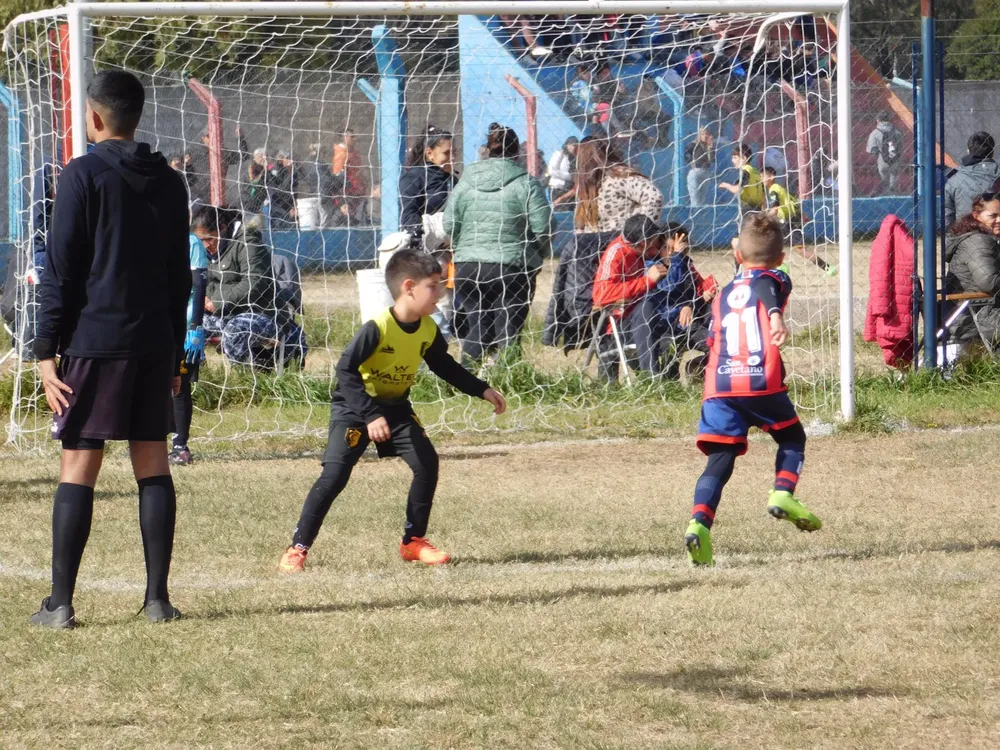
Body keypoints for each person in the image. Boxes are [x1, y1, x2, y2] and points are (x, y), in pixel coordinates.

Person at [31, 70, 190, 628]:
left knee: (79, 465)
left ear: (95, 116)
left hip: (94, 344)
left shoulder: (82, 173)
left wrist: (44, 350)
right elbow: (180, 277)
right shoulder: (171, 181)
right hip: (152, 344)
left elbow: (61, 270)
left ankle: (60, 604)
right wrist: (176, 354)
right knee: (153, 463)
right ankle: (157, 600)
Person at [278, 250, 507, 572]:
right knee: (334, 477)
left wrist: (482, 389)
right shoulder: (378, 327)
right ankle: (297, 548)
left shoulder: (427, 328)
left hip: (396, 408)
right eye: (433, 285)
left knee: (426, 464)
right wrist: (370, 415)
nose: (440, 292)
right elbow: (345, 370)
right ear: (409, 287)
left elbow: (444, 365)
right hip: (354, 409)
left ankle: (413, 541)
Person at [684, 213, 822, 567]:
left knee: (720, 458)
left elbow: (715, 332)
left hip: (720, 385)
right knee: (792, 437)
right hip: (759, 378)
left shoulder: (722, 294)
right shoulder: (777, 277)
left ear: (737, 254)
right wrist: (775, 314)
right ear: (781, 258)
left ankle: (698, 524)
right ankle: (783, 493)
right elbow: (764, 283)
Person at [443, 125, 553, 362]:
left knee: (477, 329)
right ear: (517, 153)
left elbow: (449, 224)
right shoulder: (526, 183)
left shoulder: (465, 182)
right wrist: (538, 254)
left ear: (488, 150)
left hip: (468, 267)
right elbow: (543, 227)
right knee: (508, 333)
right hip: (512, 267)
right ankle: (510, 377)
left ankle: (464, 376)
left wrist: (464, 249)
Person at [591, 214, 669, 380]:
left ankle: (665, 377)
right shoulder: (616, 253)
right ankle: (652, 378)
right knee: (647, 304)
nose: (656, 245)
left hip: (647, 317)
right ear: (641, 243)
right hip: (621, 322)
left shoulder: (647, 251)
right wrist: (647, 281)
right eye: (653, 241)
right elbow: (601, 295)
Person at [635, 222, 714, 375]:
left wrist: (697, 300)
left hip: (687, 321)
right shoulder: (653, 267)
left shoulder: (684, 264)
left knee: (716, 335)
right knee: (670, 354)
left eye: (676, 249)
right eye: (667, 248)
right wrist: (677, 257)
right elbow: (670, 287)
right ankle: (670, 381)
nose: (670, 253)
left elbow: (689, 292)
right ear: (658, 247)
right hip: (666, 325)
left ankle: (699, 368)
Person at [169, 207, 213, 467]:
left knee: (179, 384)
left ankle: (180, 446)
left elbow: (199, 284)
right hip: (152, 323)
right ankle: (147, 442)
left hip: (183, 328)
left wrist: (195, 325)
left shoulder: (192, 243)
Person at [944, 193, 1000, 347]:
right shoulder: (978, 241)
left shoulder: (979, 238)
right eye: (993, 216)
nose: (999, 220)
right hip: (982, 318)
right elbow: (989, 282)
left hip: (978, 314)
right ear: (976, 216)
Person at [398, 126, 456, 245]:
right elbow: (408, 216)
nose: (453, 158)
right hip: (424, 243)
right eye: (446, 153)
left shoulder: (453, 180)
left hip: (450, 243)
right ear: (429, 153)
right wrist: (423, 235)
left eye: (454, 152)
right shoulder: (413, 178)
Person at [944, 132, 1000, 229]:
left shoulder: (955, 179)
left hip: (966, 233)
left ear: (968, 151)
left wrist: (952, 236)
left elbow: (948, 216)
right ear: (992, 152)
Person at [332, 127, 370, 224]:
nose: (354, 139)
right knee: (347, 223)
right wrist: (341, 201)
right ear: (344, 137)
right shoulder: (341, 154)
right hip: (347, 196)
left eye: (354, 136)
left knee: (359, 222)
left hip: (358, 194)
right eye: (352, 137)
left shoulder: (354, 153)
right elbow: (337, 178)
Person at [719, 142, 764, 211]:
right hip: (758, 209)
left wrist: (726, 185)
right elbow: (763, 195)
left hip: (748, 210)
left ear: (744, 158)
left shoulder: (745, 172)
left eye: (735, 158)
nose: (732, 160)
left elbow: (736, 189)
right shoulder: (756, 172)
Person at [866, 113, 903, 193]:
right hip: (895, 160)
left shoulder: (875, 132)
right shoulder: (896, 131)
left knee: (884, 181)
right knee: (894, 179)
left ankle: (886, 194)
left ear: (878, 121)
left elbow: (871, 150)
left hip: (882, 159)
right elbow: (900, 146)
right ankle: (893, 193)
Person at [685, 127, 716, 207]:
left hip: (705, 173)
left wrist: (711, 146)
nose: (705, 136)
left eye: (707, 134)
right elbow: (685, 153)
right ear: (699, 135)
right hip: (695, 172)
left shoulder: (708, 147)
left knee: (701, 200)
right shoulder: (694, 145)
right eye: (702, 134)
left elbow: (712, 160)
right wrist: (690, 161)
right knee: (695, 199)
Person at [547, 136, 578, 205]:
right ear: (566, 145)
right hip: (557, 188)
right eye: (570, 144)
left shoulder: (576, 157)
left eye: (574, 145)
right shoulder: (559, 154)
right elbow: (551, 170)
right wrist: (570, 176)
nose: (572, 147)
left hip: (570, 189)